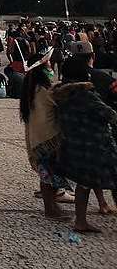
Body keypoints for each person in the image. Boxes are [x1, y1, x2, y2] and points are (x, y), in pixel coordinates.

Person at [52, 56, 117, 233]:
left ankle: (80, 221)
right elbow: (110, 114)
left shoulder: (61, 95)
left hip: (74, 146)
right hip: (96, 145)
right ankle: (83, 220)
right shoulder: (86, 95)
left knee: (83, 183)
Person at [19, 54, 71, 222]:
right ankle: (51, 208)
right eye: (48, 63)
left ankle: (52, 207)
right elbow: (56, 102)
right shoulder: (42, 89)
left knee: (47, 175)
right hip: (47, 140)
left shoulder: (32, 87)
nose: (50, 66)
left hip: (38, 139)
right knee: (49, 176)